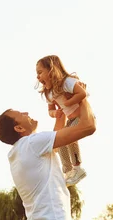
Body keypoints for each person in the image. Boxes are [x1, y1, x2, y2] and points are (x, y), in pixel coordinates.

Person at [36, 55, 90, 187]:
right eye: (36, 74)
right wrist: (55, 113)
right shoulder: (49, 93)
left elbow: (82, 93)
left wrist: (67, 102)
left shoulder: (67, 82)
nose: (38, 77)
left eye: (40, 72)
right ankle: (68, 170)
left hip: (82, 117)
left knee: (71, 139)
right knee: (61, 142)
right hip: (71, 120)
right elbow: (50, 111)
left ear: (52, 70)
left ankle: (78, 168)